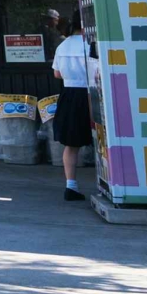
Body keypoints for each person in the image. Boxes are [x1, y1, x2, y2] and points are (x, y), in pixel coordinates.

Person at [50, 12, 92, 201]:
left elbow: (57, 74)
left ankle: (71, 185)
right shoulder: (89, 44)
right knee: (101, 139)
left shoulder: (62, 45)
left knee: (71, 143)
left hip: (69, 94)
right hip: (91, 93)